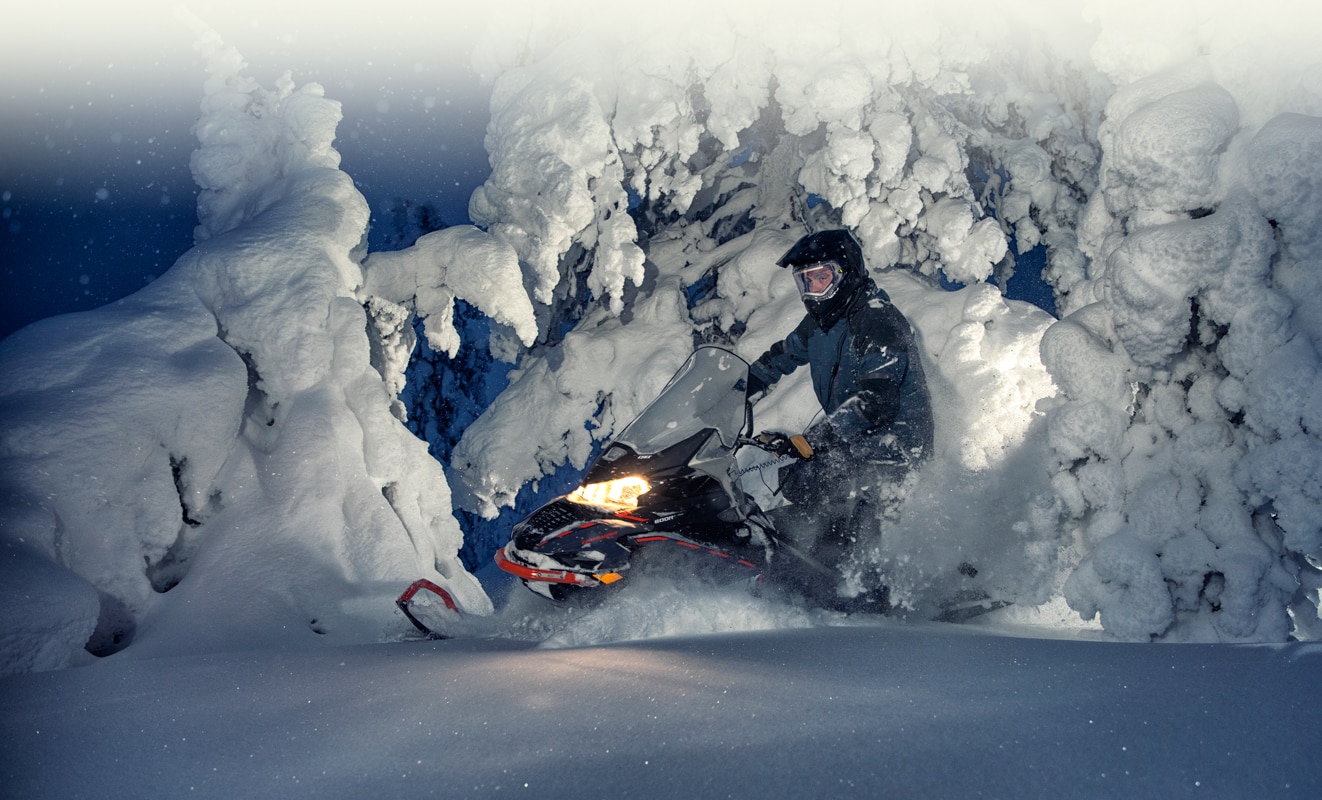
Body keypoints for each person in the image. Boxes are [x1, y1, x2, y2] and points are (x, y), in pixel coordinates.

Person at [744, 229, 934, 609]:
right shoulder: (822, 321)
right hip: (853, 438)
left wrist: (813, 439)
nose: (812, 289)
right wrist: (737, 387)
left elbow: (876, 400)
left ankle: (871, 594)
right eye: (805, 280)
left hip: (894, 447)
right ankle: (805, 572)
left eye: (821, 277)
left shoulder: (876, 320)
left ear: (846, 273)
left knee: (841, 495)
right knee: (802, 481)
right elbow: (782, 356)